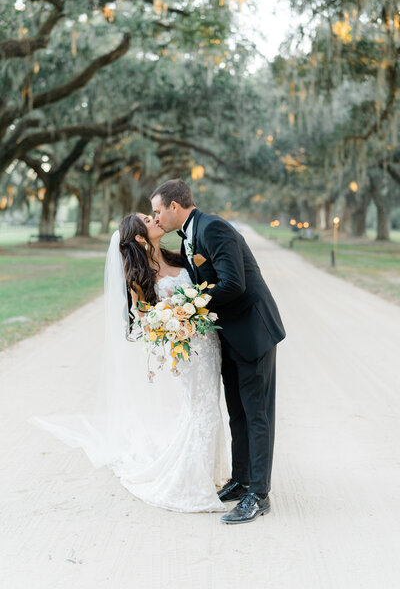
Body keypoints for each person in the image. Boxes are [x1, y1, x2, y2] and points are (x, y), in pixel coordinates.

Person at [29, 212, 229, 513]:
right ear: (138, 237)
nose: (157, 219)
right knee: (201, 408)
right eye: (149, 219)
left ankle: (209, 473)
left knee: (211, 404)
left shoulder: (181, 258)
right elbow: (148, 320)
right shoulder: (139, 275)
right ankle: (193, 481)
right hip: (184, 348)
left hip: (208, 344)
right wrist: (172, 324)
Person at [151, 179, 286, 524]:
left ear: (174, 207)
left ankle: (259, 493)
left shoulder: (213, 228)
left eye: (157, 211)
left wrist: (189, 305)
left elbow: (234, 282)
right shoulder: (189, 235)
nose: (157, 217)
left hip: (253, 331)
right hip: (230, 335)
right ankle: (241, 481)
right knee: (237, 412)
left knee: (257, 414)